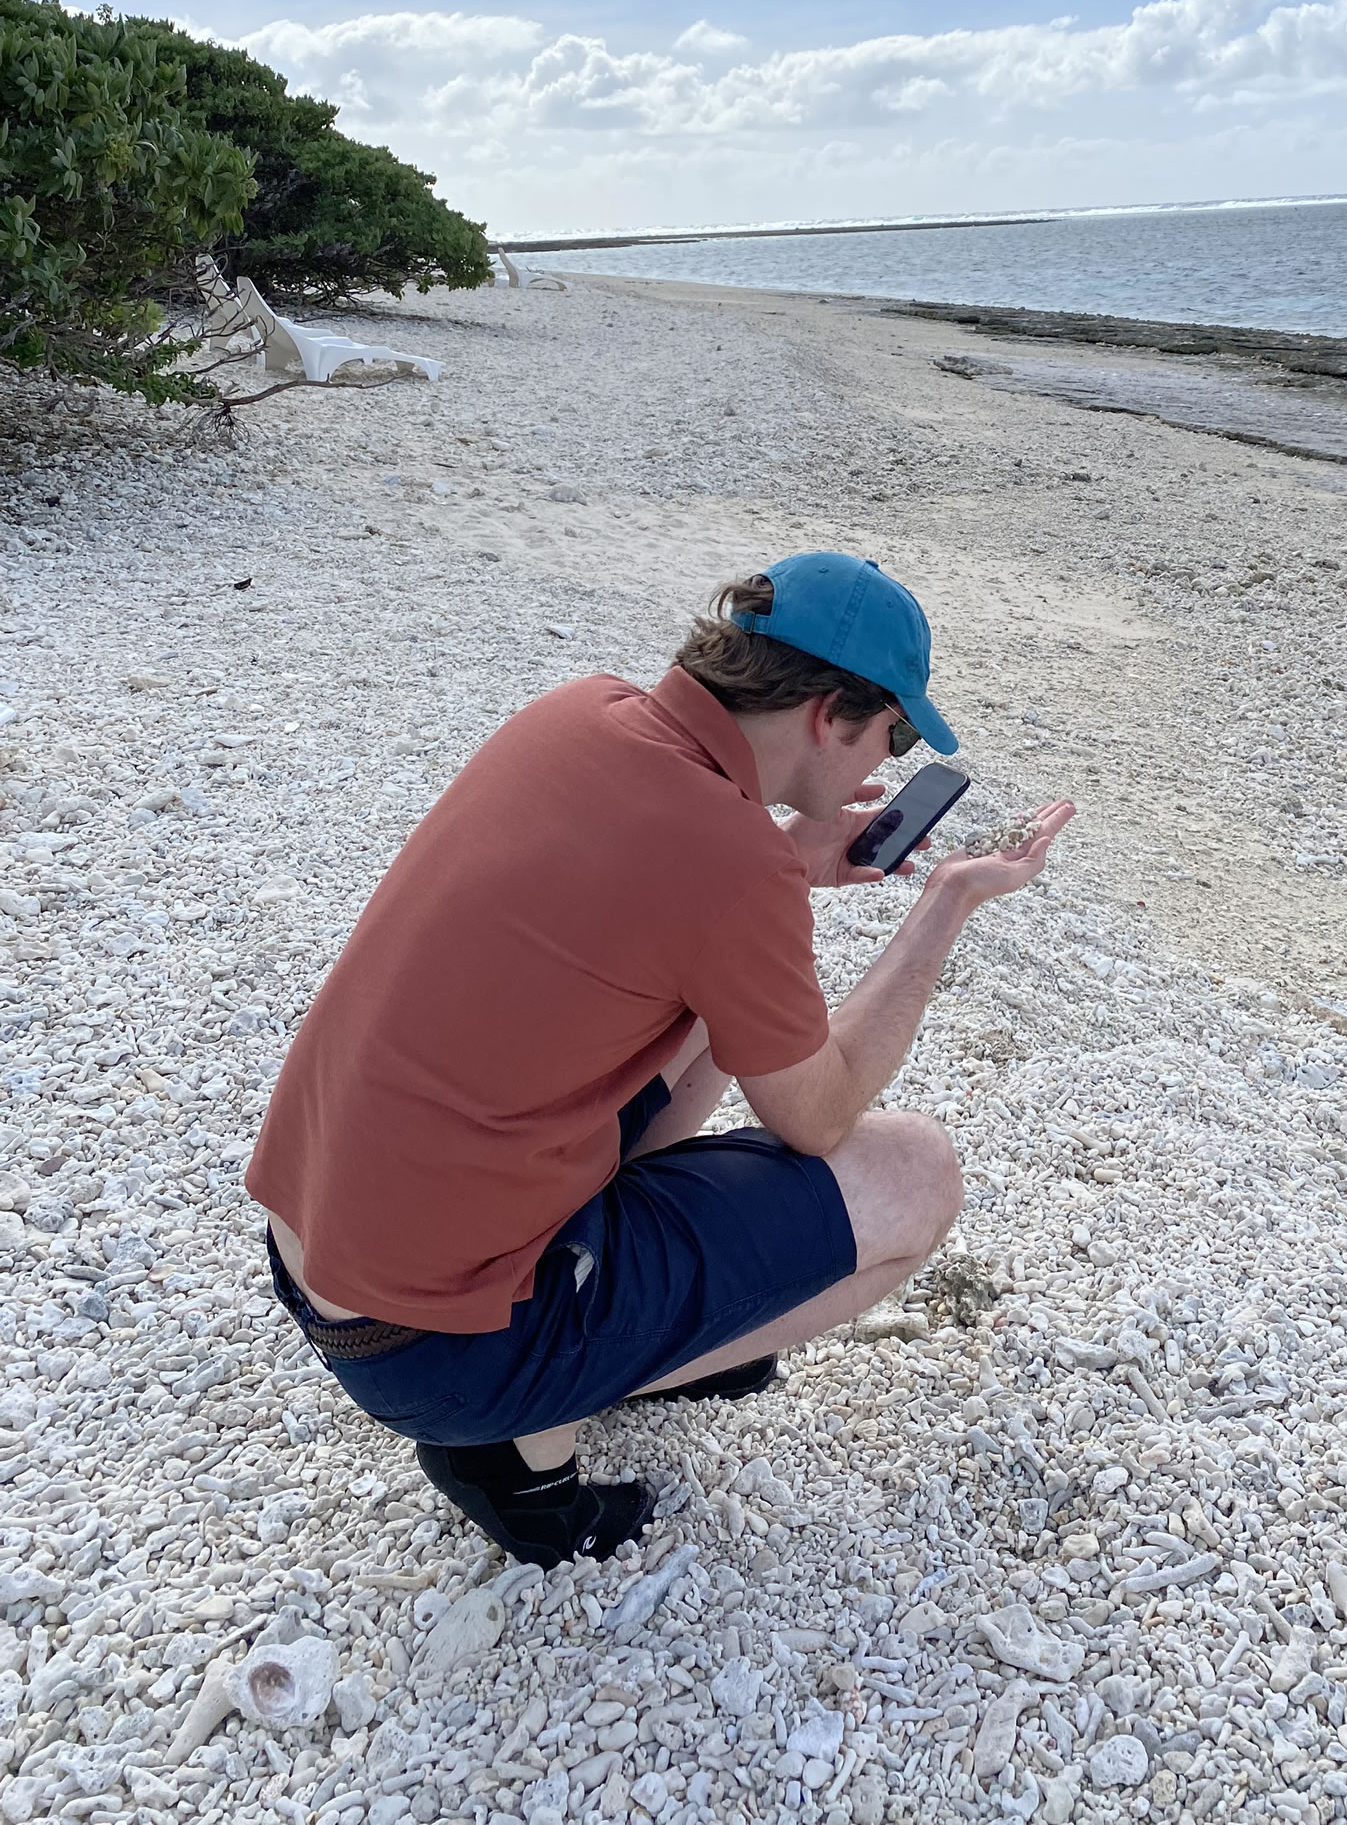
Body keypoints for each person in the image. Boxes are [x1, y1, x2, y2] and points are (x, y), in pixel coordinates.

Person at [246, 551, 1073, 1567]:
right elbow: (817, 1118)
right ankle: (523, 1453)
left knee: (692, 1010)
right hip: (438, 1357)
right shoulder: (730, 864)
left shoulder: (578, 711)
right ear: (828, 715)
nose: (887, 762)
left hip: (318, 1256)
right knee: (917, 1174)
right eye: (892, 731)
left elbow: (660, 885)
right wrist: (946, 902)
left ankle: (629, 1340)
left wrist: (790, 865)